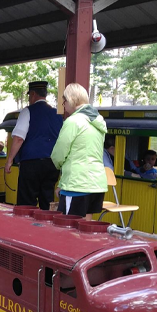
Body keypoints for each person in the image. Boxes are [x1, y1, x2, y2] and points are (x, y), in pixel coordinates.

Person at [50, 83, 107, 218]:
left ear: (70, 99)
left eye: (64, 101)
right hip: (97, 184)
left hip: (76, 184)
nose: (63, 105)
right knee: (86, 228)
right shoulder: (98, 121)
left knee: (69, 229)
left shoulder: (73, 121)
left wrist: (58, 167)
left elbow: (59, 153)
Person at [4, 80, 63, 210]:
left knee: (27, 200)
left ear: (33, 94)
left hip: (31, 162)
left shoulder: (27, 111)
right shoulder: (58, 114)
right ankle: (45, 228)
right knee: (47, 199)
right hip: (52, 163)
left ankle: (26, 228)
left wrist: (9, 160)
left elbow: (19, 138)